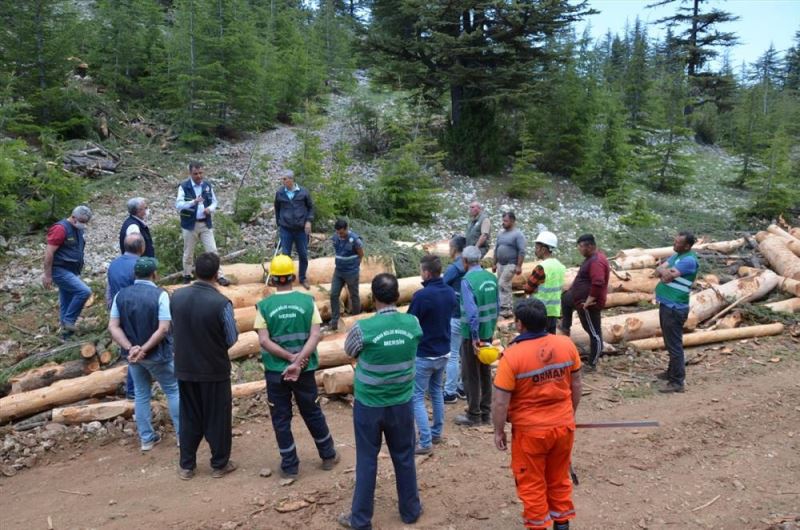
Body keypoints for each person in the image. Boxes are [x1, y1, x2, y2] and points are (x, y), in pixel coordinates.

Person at [338, 274, 423, 530]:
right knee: (404, 456)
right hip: (401, 404)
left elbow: (349, 351)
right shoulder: (413, 323)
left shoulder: (363, 329)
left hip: (369, 406)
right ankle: (410, 511)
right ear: (397, 296)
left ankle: (360, 519)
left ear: (372, 298)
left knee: (367, 459)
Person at [492, 298, 582, 530]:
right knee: (559, 478)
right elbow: (577, 384)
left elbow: (500, 402)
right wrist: (569, 413)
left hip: (530, 433)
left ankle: (538, 526)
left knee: (531, 484)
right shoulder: (566, 345)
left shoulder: (512, 357)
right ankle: (562, 524)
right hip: (563, 427)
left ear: (520, 324)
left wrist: (499, 431)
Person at [254, 254, 339, 478]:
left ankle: (290, 466)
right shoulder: (307, 302)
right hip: (305, 370)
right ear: (292, 277)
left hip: (276, 371)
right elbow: (315, 335)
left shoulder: (263, 306)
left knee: (281, 418)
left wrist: (288, 358)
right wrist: (299, 359)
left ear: (272, 279)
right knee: (312, 411)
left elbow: (263, 340)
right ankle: (328, 455)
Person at [170, 252, 238, 480]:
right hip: (214, 369)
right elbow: (232, 337)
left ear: (195, 271)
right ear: (217, 274)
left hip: (184, 367)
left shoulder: (176, 297)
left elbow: (172, 331)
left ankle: (186, 465)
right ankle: (219, 464)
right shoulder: (221, 303)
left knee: (189, 415)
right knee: (217, 417)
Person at [108, 257, 180, 452]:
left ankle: (146, 438)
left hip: (133, 357)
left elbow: (113, 326)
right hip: (158, 354)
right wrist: (145, 348)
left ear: (135, 274)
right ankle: (183, 435)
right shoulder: (160, 295)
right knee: (173, 389)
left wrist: (131, 348)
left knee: (141, 394)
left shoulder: (120, 295)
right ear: (154, 274)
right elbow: (164, 328)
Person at [408, 255, 457, 454]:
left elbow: (411, 321)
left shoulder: (422, 296)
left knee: (417, 397)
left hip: (425, 354)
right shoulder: (450, 292)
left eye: (421, 271)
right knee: (436, 392)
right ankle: (436, 433)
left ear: (427, 273)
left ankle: (425, 441)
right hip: (444, 352)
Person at [454, 246, 499, 427]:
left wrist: (474, 338)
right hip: (487, 332)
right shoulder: (491, 278)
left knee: (470, 373)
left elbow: (472, 313)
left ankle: (474, 414)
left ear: (465, 261)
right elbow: (498, 306)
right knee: (485, 371)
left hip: (472, 335)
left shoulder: (467, 281)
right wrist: (490, 330)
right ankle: (486, 411)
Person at [653, 231, 698, 393]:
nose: (674, 244)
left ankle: (677, 382)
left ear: (687, 246)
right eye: (675, 241)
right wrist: (664, 271)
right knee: (669, 341)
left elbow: (664, 276)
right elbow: (658, 271)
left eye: (678, 242)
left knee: (674, 345)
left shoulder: (688, 261)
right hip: (667, 304)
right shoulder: (677, 256)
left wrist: (664, 271)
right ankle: (671, 372)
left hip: (675, 307)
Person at [175, 161, 230, 286]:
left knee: (213, 250)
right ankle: (187, 275)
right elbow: (178, 205)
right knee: (188, 252)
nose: (199, 176)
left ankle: (219, 275)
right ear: (190, 174)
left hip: (205, 223)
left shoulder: (207, 185)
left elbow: (214, 202)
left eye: (201, 173)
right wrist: (193, 202)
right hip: (190, 224)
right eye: (196, 174)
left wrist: (210, 209)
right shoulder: (184, 186)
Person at [42, 205, 93, 339]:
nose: (83, 224)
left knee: (67, 302)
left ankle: (66, 337)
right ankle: (69, 322)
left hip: (71, 270)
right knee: (84, 291)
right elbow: (49, 252)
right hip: (59, 270)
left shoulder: (78, 230)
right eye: (81, 221)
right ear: (73, 217)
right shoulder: (60, 229)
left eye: (85, 222)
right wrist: (47, 275)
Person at [560, 234, 609, 370]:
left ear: (590, 246)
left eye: (581, 246)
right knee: (565, 298)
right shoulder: (590, 259)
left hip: (588, 304)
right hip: (577, 299)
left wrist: (589, 301)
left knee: (594, 333)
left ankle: (592, 363)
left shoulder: (596, 261)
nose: (579, 249)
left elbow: (598, 282)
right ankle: (565, 327)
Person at [107, 233, 145, 400]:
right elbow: (144, 291)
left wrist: (111, 308)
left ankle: (134, 388)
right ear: (141, 247)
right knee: (137, 350)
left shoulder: (113, 264)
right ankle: (133, 390)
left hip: (118, 310)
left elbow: (108, 290)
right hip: (135, 312)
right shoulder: (139, 265)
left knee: (130, 348)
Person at [274, 169, 315, 289]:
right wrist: (279, 223)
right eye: (283, 179)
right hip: (286, 229)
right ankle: (287, 279)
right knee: (285, 255)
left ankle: (302, 278)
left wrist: (308, 221)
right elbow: (277, 208)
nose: (283, 181)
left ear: (291, 179)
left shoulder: (303, 192)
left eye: (285, 179)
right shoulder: (280, 193)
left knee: (303, 254)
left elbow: (311, 208)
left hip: (301, 229)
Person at [523, 231, 566, 334]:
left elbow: (528, 288)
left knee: (538, 339)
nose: (535, 250)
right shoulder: (560, 266)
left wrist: (529, 287)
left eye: (537, 247)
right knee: (550, 339)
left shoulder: (542, 267)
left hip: (540, 310)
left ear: (544, 249)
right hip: (554, 311)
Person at [442, 236, 467, 403]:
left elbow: (441, 286)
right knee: (465, 354)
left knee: (452, 355)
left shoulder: (454, 268)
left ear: (454, 248)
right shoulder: (470, 266)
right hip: (469, 316)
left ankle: (449, 392)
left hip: (456, 315)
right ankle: (463, 387)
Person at [327, 218, 364, 331]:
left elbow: (361, 254)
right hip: (338, 271)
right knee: (333, 294)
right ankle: (335, 321)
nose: (340, 235)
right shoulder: (335, 238)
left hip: (351, 272)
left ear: (346, 229)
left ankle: (356, 320)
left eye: (342, 232)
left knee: (354, 296)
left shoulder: (355, 240)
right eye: (338, 232)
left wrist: (355, 266)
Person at [492, 211, 526, 318]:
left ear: (512, 221)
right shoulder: (500, 234)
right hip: (500, 264)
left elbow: (522, 251)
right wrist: (494, 263)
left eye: (506, 221)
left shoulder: (518, 234)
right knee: (501, 285)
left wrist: (519, 265)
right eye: (503, 220)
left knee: (503, 283)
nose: (503, 223)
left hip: (511, 264)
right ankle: (507, 308)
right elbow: (496, 249)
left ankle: (505, 308)